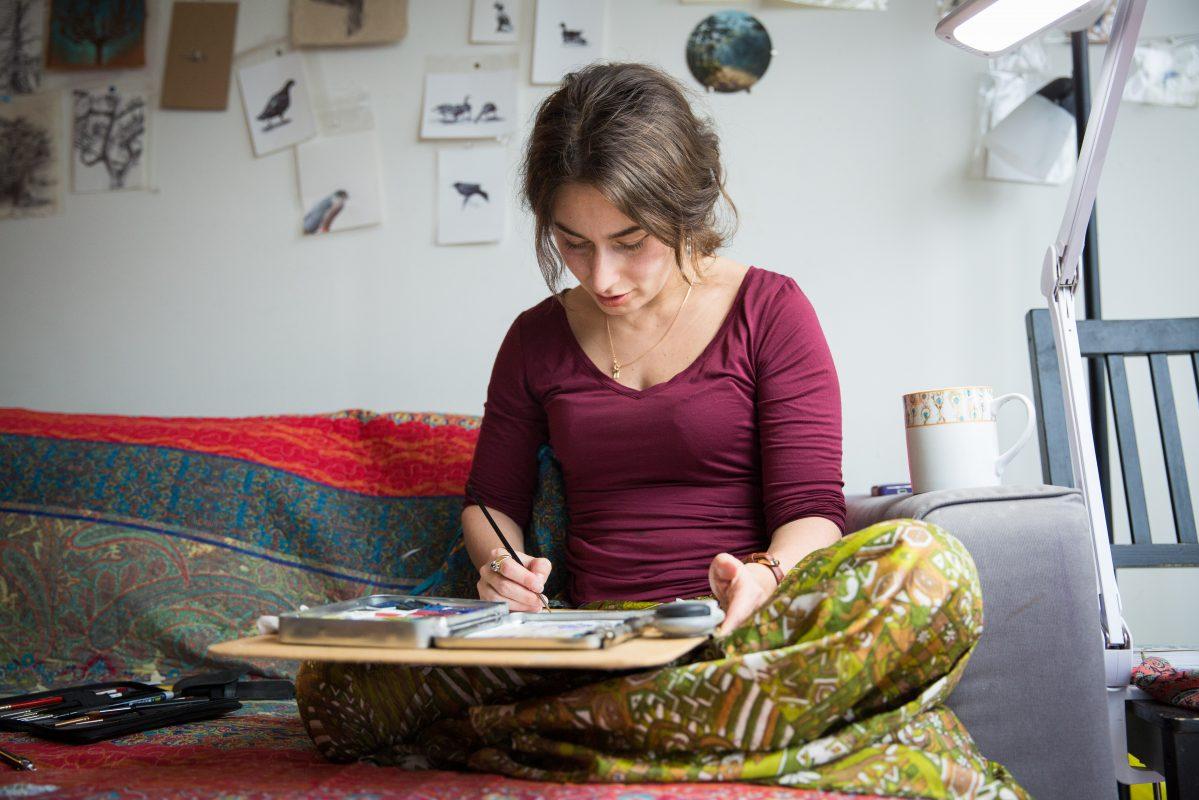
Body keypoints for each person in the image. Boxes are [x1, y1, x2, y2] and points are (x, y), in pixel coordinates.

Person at [296, 62, 1028, 799]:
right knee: (334, 686)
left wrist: (765, 577)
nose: (602, 276)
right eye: (572, 243)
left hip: (748, 634)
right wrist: (503, 567)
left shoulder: (771, 310)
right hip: (595, 642)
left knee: (931, 567)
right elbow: (492, 502)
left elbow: (813, 510)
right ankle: (747, 737)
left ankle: (562, 737)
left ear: (686, 206)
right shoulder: (534, 339)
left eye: (630, 240)